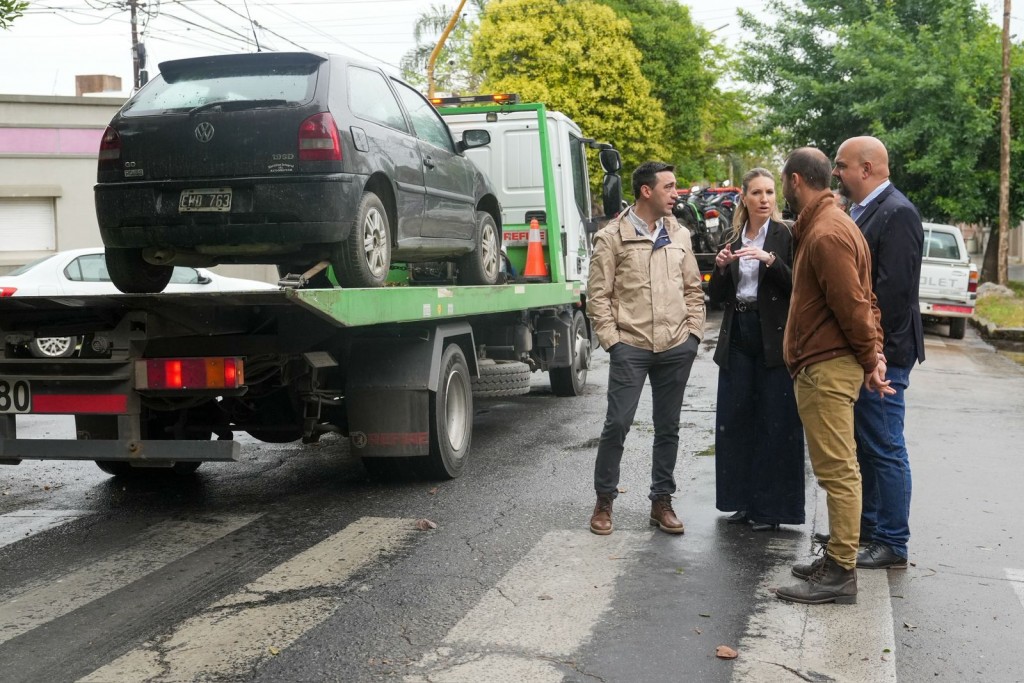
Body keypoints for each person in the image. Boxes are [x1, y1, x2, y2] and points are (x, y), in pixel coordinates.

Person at [773, 147, 893, 605]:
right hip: (828, 363)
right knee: (839, 470)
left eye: (784, 181)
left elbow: (856, 306)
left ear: (796, 180)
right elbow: (866, 299)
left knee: (839, 473)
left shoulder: (826, 232)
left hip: (826, 367)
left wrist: (870, 358)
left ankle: (841, 572)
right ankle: (837, 560)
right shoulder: (833, 225)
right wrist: (873, 355)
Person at [587, 161, 705, 536]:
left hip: (675, 345)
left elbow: (692, 290)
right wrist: (613, 342)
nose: (676, 194)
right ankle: (604, 501)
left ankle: (661, 502)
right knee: (617, 424)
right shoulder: (612, 237)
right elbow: (597, 296)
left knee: (667, 427)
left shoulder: (680, 234)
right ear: (646, 191)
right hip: (631, 346)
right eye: (669, 187)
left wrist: (693, 336)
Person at [830, 136, 924, 570]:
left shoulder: (898, 213)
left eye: (842, 165)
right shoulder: (863, 210)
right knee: (866, 445)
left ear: (866, 169)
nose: (836, 173)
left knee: (885, 444)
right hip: (869, 351)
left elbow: (891, 292)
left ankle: (892, 541)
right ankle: (868, 528)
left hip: (887, 354)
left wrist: (875, 354)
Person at [708, 168, 804, 532]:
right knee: (735, 421)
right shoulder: (731, 235)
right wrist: (718, 269)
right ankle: (741, 502)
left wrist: (771, 262)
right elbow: (716, 298)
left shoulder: (788, 234)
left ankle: (772, 509)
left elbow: (801, 284)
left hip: (775, 336)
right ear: (744, 198)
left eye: (769, 192)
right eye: (757, 193)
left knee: (775, 422)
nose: (765, 199)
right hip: (738, 333)